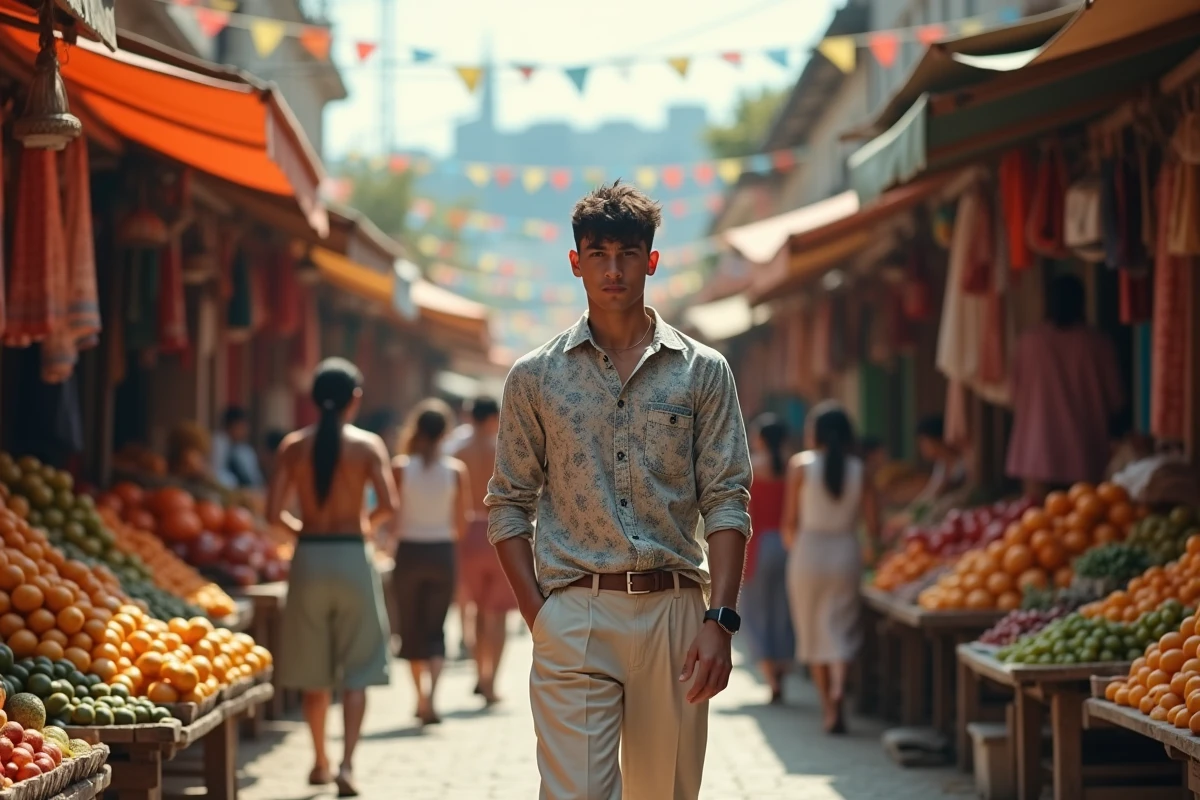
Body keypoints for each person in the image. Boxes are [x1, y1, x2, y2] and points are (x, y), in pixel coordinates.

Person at [486, 181, 752, 800]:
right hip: (575, 612)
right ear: (575, 262)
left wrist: (721, 619)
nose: (613, 269)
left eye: (628, 253)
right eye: (598, 253)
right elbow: (507, 503)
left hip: (676, 614)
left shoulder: (703, 371)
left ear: (651, 261)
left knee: (666, 794)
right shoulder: (534, 376)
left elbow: (727, 496)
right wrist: (540, 616)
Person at [265, 359, 398, 797]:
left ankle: (319, 761)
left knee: (312, 669)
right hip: (351, 558)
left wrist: (303, 531)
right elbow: (388, 507)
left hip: (309, 559)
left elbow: (273, 513)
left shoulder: (293, 445)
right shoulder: (367, 446)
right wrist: (363, 525)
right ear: (354, 399)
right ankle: (347, 765)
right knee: (357, 668)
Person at [781, 402, 879, 735]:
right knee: (843, 628)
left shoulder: (800, 466)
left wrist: (798, 550)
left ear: (815, 433)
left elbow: (789, 523)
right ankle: (841, 685)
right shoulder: (860, 469)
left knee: (813, 631)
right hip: (845, 551)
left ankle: (828, 708)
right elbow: (875, 527)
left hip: (808, 552)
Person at [1007, 273, 1124, 500]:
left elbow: (1014, 395)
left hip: (1035, 449)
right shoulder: (1098, 343)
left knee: (1033, 526)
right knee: (1085, 522)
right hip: (1084, 449)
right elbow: (1116, 398)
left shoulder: (1029, 342)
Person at [390, 399, 470, 726]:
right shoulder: (455, 471)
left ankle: (419, 698)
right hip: (441, 551)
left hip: (409, 551)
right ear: (445, 432)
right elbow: (461, 523)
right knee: (436, 628)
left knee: (411, 628)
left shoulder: (400, 467)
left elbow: (392, 518)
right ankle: (433, 698)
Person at [453, 396, 515, 705]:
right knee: (500, 613)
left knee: (476, 610)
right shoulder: (504, 449)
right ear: (494, 418)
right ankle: (492, 682)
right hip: (499, 529)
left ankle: (480, 674)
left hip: (467, 533)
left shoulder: (457, 452)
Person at [741, 413, 795, 704]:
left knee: (756, 611)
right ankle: (784, 668)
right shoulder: (795, 468)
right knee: (784, 610)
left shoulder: (750, 469)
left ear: (759, 439)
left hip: (758, 545)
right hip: (789, 546)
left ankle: (770, 676)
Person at [212, 406, 265, 490]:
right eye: (241, 427)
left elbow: (254, 478)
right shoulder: (217, 443)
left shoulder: (245, 450)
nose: (245, 431)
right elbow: (215, 473)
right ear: (231, 425)